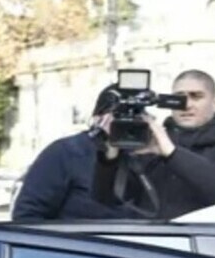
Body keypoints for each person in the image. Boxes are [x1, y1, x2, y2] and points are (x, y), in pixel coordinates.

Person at [94, 69, 215, 219]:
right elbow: (107, 200)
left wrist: (172, 154)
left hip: (207, 249)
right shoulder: (149, 146)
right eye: (178, 98)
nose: (186, 105)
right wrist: (110, 157)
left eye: (196, 96)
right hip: (150, 249)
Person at [12, 85, 140, 221]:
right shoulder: (67, 153)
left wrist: (164, 152)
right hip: (76, 241)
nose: (127, 122)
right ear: (98, 118)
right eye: (119, 115)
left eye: (136, 116)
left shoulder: (145, 158)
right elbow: (27, 215)